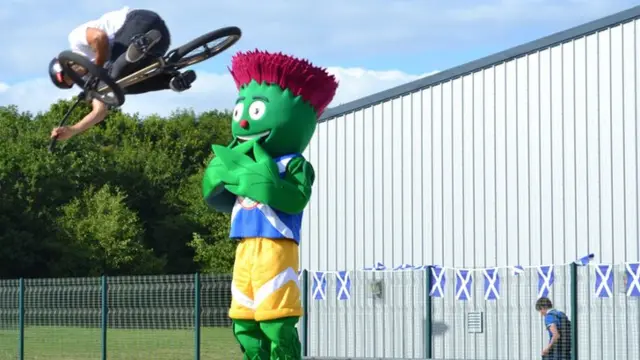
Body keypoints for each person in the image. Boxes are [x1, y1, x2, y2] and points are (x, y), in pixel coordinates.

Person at [48, 6, 197, 142]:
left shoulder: (76, 40)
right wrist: (73, 130)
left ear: (66, 62)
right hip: (159, 42)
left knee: (110, 76)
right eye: (72, 79)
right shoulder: (92, 82)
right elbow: (99, 111)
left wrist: (99, 67)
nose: (76, 75)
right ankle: (171, 81)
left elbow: (100, 37)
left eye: (69, 73)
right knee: (117, 88)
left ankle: (132, 54)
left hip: (139, 22)